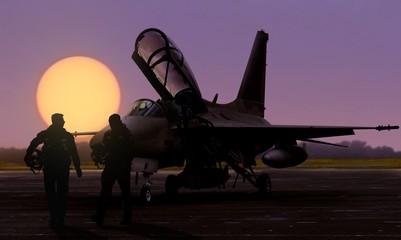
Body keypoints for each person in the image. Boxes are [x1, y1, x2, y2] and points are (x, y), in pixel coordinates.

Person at [24, 113, 82, 228]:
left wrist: (27, 156)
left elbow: (33, 143)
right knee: (61, 193)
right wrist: (77, 167)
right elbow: (74, 153)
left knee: (52, 193)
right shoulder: (67, 136)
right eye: (62, 120)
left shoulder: (46, 134)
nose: (63, 122)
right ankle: (59, 217)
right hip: (60, 168)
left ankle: (55, 216)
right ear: (58, 122)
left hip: (52, 167)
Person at [92, 113, 134, 226]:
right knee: (105, 191)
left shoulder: (127, 134)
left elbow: (130, 151)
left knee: (125, 193)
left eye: (113, 123)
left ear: (117, 122)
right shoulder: (108, 134)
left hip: (122, 167)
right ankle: (99, 217)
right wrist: (100, 155)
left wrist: (125, 164)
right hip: (110, 166)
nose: (111, 125)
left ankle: (127, 218)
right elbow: (106, 149)